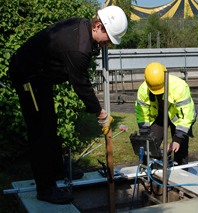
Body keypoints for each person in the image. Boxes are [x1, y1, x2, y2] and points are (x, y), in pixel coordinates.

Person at [8, 6, 128, 204]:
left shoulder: (83, 27)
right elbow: (81, 85)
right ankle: (46, 188)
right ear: (98, 26)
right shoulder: (79, 48)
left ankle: (56, 169)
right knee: (40, 131)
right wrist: (100, 114)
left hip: (39, 76)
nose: (108, 45)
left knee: (50, 122)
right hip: (27, 76)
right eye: (108, 40)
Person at [135, 62, 197, 166]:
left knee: (180, 147)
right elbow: (142, 114)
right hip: (158, 115)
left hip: (179, 116)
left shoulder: (179, 86)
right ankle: (150, 171)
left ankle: (182, 173)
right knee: (151, 144)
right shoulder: (143, 90)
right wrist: (145, 133)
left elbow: (186, 116)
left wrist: (177, 139)